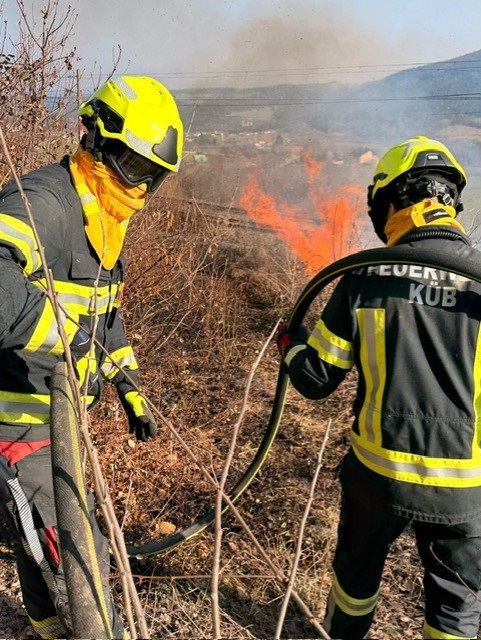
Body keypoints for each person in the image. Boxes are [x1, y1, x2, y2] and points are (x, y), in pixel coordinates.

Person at [0, 75, 183, 639]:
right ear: (95, 139)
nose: (140, 184)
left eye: (153, 174)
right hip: (15, 422)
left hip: (59, 420)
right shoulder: (45, 203)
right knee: (81, 555)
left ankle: (50, 630)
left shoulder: (102, 217)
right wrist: (63, 334)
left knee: (38, 542)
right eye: (133, 165)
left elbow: (104, 315)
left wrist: (128, 385)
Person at [276, 136, 481, 640]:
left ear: (392, 203)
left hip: (377, 477)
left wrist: (291, 345)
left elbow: (315, 379)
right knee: (456, 607)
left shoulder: (364, 277)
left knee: (355, 581)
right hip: (463, 490)